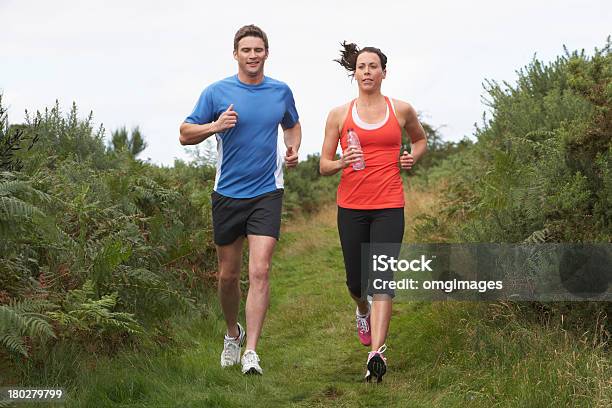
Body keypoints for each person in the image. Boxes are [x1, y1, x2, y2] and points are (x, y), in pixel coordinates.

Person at [179, 24, 301, 375]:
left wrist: (293, 149)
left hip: (267, 192)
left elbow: (291, 125)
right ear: (235, 54)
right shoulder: (217, 92)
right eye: (245, 50)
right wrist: (215, 126)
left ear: (266, 53)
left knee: (260, 271)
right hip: (228, 194)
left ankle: (251, 352)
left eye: (258, 50)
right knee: (228, 276)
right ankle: (232, 333)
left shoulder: (280, 91)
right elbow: (185, 134)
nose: (252, 55)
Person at [320, 42, 427, 382]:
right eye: (362, 67)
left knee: (382, 279)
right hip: (351, 206)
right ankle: (361, 309)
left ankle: (375, 355)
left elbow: (420, 140)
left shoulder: (401, 110)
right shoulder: (339, 115)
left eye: (373, 66)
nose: (367, 71)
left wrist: (412, 157)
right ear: (355, 73)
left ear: (384, 72)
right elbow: (323, 165)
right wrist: (341, 161)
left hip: (389, 206)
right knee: (356, 281)